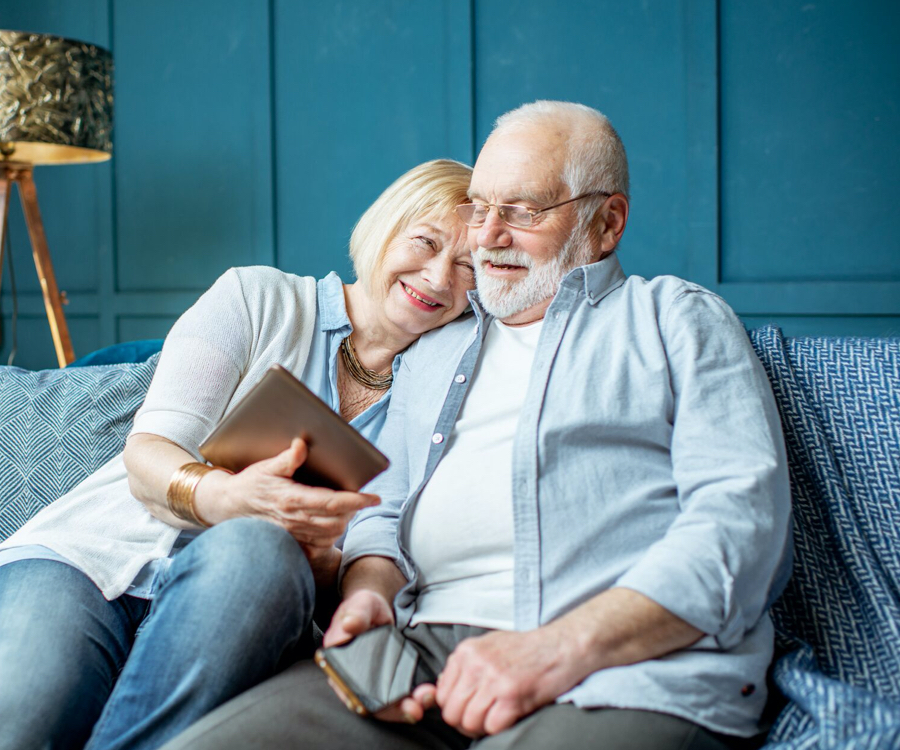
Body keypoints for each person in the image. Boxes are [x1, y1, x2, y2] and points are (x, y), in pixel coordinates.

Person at [162, 101, 792, 750]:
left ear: (607, 222)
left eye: (522, 211)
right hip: (418, 664)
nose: (487, 235)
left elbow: (742, 528)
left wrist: (553, 650)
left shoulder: (676, 321)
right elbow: (385, 510)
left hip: (620, 669)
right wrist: (371, 596)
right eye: (479, 207)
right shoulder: (434, 348)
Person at [0, 159, 475, 750]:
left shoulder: (451, 380)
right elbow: (150, 451)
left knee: (258, 545)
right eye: (425, 243)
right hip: (93, 557)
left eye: (468, 266)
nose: (437, 277)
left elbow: (386, 536)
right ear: (384, 228)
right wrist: (227, 495)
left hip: (253, 587)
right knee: (22, 717)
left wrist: (354, 589)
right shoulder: (258, 297)